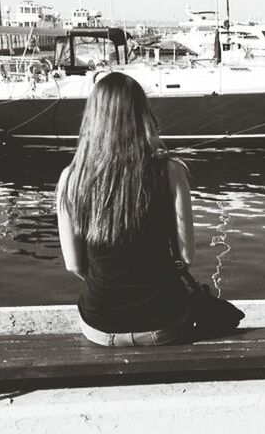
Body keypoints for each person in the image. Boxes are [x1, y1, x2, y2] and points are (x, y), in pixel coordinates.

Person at [56, 72, 194, 347]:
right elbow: (187, 256)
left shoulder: (71, 178)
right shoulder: (170, 171)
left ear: (92, 117)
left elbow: (74, 265)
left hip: (99, 325)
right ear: (142, 114)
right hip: (163, 323)